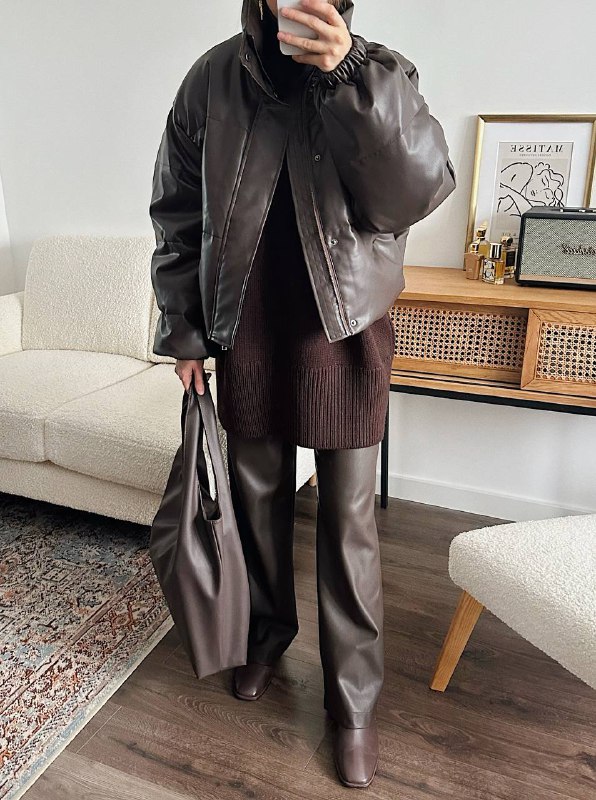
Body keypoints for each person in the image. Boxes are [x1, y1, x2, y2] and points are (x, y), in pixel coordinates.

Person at [149, 0, 455, 788]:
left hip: (344, 327)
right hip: (246, 323)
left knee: (350, 525)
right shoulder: (211, 80)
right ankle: (265, 635)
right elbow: (178, 213)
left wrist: (348, 76)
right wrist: (185, 332)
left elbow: (414, 193)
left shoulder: (379, 72)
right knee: (257, 501)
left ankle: (353, 703)